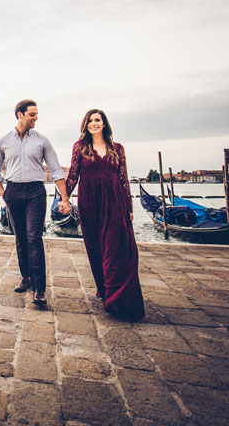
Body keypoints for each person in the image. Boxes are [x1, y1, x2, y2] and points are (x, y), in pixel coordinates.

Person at [65, 109, 144, 321]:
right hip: (89, 201)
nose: (93, 123)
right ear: (85, 125)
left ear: (104, 124)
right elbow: (73, 175)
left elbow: (124, 178)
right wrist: (63, 198)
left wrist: (129, 209)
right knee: (96, 248)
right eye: (90, 121)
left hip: (115, 199)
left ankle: (116, 298)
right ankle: (106, 289)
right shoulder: (79, 147)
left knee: (116, 248)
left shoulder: (117, 148)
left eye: (97, 120)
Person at [0, 99, 71, 305]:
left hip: (36, 192)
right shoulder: (3, 141)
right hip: (13, 191)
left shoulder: (42, 141)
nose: (36, 118)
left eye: (36, 114)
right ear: (19, 114)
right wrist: (4, 193)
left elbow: (55, 170)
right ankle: (26, 277)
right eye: (32, 114)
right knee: (20, 237)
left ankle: (39, 289)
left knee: (34, 237)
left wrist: (64, 198)